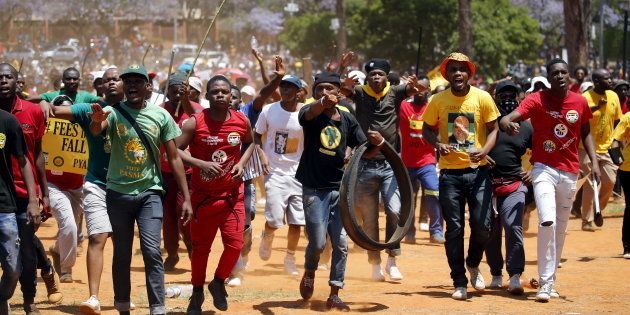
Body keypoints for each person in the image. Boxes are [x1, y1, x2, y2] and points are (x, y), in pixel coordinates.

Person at [89, 64, 192, 315]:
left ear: (148, 87)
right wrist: (95, 120)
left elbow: (174, 157)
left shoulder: (161, 116)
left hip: (150, 192)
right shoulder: (112, 113)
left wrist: (186, 197)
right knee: (122, 252)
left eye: (138, 81)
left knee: (151, 250)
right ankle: (123, 305)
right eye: (128, 82)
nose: (132, 86)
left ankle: (157, 307)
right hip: (118, 194)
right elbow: (96, 130)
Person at [500, 58, 600, 302]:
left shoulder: (580, 101)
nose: (560, 76)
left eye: (564, 72)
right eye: (555, 73)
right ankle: (544, 284)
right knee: (547, 221)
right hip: (543, 169)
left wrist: (595, 161)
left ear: (570, 76)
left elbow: (585, 132)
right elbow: (510, 117)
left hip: (569, 171)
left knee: (561, 229)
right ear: (548, 77)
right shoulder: (537, 99)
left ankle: (549, 281)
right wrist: (506, 122)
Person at [340, 56, 427, 282]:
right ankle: (375, 263)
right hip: (364, 163)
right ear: (367, 77)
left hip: (390, 164)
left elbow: (422, 87)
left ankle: (392, 260)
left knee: (395, 210)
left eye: (379, 74)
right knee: (369, 219)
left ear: (386, 76)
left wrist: (417, 84)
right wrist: (342, 71)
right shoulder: (360, 92)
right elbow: (341, 88)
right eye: (372, 75)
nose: (376, 78)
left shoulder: (396, 92)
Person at [422, 52, 500, 300]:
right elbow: (426, 129)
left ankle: (473, 263)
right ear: (446, 73)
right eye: (453, 69)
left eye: (462, 69)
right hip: (449, 175)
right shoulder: (437, 100)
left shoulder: (482, 97)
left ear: (469, 74)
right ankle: (459, 281)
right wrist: (438, 144)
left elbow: (494, 128)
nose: (458, 73)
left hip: (478, 173)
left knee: (482, 226)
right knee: (454, 228)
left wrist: (484, 151)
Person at [51, 67, 126, 313]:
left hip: (127, 186)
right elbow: (55, 110)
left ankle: (121, 297)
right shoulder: (88, 109)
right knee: (97, 237)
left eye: (117, 79)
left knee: (122, 243)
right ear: (100, 86)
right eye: (107, 80)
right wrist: (44, 104)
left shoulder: (136, 111)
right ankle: (93, 297)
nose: (112, 83)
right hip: (96, 184)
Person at [176, 75, 254, 313]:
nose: (220, 95)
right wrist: (199, 163)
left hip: (232, 196)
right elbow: (175, 150)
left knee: (235, 245)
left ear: (232, 95)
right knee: (201, 250)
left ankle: (218, 283)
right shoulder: (194, 123)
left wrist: (241, 163)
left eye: (224, 92)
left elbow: (251, 143)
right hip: (203, 199)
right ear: (206, 96)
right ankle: (197, 292)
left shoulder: (242, 121)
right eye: (215, 92)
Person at [297, 72, 368, 311]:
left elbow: (362, 144)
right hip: (314, 188)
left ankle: (335, 291)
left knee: (341, 244)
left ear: (339, 92)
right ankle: (309, 271)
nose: (324, 93)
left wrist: (374, 143)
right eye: (319, 89)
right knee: (317, 243)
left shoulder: (347, 118)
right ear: (314, 93)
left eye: (330, 89)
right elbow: (309, 113)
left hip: (340, 189)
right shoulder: (310, 114)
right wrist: (321, 103)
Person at [227, 56, 286, 287]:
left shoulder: (247, 112)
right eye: (224, 95)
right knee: (228, 224)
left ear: (240, 100)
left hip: (245, 179)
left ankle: (242, 259)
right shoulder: (209, 117)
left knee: (246, 221)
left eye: (234, 96)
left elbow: (263, 94)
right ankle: (231, 264)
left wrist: (277, 78)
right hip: (219, 181)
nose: (229, 100)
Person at [0, 63, 47, 314]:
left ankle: (29, 299)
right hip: (2, 195)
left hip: (24, 193)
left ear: (18, 82)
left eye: (9, 77)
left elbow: (37, 156)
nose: (3, 81)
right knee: (10, 252)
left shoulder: (32, 111)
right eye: (0, 77)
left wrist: (42, 194)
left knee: (27, 251)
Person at [484, 80, 532, 295]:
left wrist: (533, 170)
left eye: (512, 94)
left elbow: (540, 152)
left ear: (519, 98)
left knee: (513, 228)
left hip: (514, 185)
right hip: (486, 186)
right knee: (490, 233)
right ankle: (496, 273)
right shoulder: (487, 124)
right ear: (495, 98)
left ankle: (514, 275)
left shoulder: (527, 126)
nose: (507, 99)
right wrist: (482, 156)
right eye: (503, 95)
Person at [255, 74, 306, 276]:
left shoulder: (305, 113)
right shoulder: (269, 111)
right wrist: (262, 156)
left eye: (290, 88)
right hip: (274, 172)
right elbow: (256, 136)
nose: (285, 91)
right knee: (276, 219)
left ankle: (290, 258)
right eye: (283, 87)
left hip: (298, 174)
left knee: (296, 222)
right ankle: (268, 234)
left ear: (299, 92)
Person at [159, 72, 204, 271]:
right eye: (173, 91)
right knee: (167, 217)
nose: (177, 96)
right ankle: (172, 252)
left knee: (184, 213)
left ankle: (192, 249)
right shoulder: (159, 111)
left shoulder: (197, 112)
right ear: (167, 92)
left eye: (181, 92)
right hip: (164, 172)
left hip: (189, 174)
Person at [398, 76, 444, 244]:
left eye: (424, 89)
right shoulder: (403, 106)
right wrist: (405, 86)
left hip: (427, 162)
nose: (420, 92)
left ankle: (436, 231)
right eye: (417, 88)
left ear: (429, 91)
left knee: (434, 192)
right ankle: (409, 232)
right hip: (406, 163)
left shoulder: (433, 109)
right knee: (408, 198)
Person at [46, 94, 85, 284]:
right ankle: (66, 268)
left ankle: (57, 250)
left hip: (77, 187)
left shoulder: (83, 127)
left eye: (68, 110)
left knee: (73, 230)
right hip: (53, 185)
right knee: (68, 225)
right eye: (59, 110)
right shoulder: (45, 128)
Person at [576, 69, 621, 231]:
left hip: (608, 147)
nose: (610, 81)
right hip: (587, 148)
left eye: (610, 78)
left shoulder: (613, 96)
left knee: (610, 181)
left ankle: (597, 210)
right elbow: (579, 118)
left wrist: (618, 142)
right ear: (596, 81)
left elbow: (617, 121)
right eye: (606, 78)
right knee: (591, 183)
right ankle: (586, 220)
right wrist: (596, 107)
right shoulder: (584, 98)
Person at [611, 111, 630, 259]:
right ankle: (627, 246)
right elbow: (615, 139)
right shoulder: (628, 117)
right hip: (628, 168)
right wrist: (617, 158)